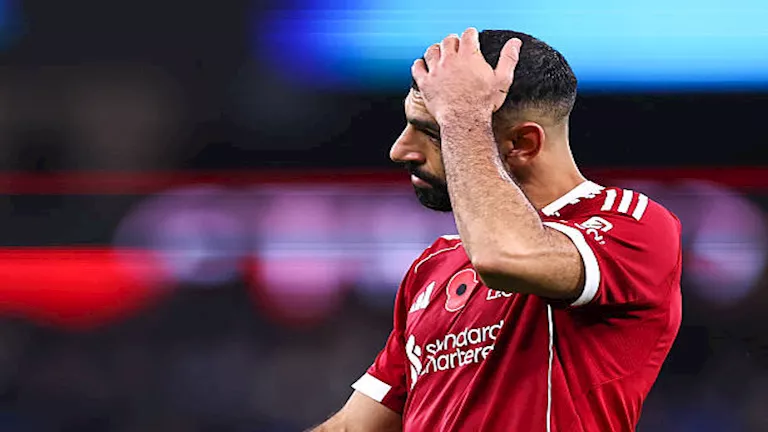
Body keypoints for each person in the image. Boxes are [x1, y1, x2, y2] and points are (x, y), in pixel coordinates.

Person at [311, 28, 682, 432]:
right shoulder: (434, 266)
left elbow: (503, 255)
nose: (399, 150)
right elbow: (350, 427)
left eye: (434, 133)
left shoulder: (632, 225)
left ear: (522, 143)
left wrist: (462, 117)